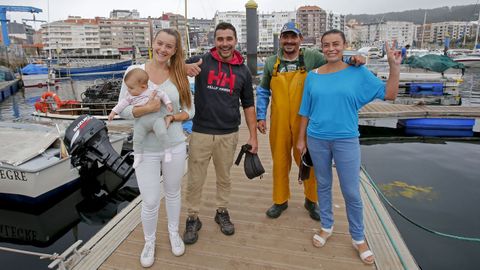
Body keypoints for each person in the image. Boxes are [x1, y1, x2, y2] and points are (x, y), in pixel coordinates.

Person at [296, 29, 401, 265]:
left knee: (351, 191)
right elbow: (305, 110)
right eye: (326, 44)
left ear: (344, 45)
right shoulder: (312, 76)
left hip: (346, 139)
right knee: (323, 185)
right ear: (321, 47)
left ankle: (358, 237)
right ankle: (326, 226)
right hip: (317, 138)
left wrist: (394, 67)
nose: (331, 48)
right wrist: (301, 139)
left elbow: (390, 94)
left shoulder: (357, 72)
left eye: (336, 44)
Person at [256, 22, 365, 220]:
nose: (289, 41)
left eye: (293, 37)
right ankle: (280, 200)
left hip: (305, 121)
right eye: (285, 37)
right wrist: (260, 115)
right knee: (280, 161)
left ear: (300, 39)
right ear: (280, 39)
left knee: (309, 162)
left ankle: (311, 200)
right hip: (279, 122)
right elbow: (263, 90)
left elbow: (335, 60)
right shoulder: (272, 62)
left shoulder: (312, 57)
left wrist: (353, 59)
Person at [117, 28, 194, 268]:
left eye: (169, 46)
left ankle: (173, 232)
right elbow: (123, 109)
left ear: (175, 50)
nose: (163, 49)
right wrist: (146, 110)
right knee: (150, 200)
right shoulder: (134, 72)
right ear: (153, 43)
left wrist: (173, 118)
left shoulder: (179, 75)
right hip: (145, 149)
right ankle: (149, 241)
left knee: (172, 192)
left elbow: (190, 110)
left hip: (174, 144)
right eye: (160, 43)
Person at [182, 22, 258, 245]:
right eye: (220, 39)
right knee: (195, 179)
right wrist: (183, 69)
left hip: (228, 134)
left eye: (229, 39)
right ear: (214, 41)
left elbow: (249, 105)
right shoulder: (200, 61)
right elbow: (169, 64)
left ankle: (221, 211)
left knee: (224, 178)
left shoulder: (243, 70)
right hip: (201, 132)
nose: (225, 43)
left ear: (235, 41)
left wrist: (253, 136)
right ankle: (192, 217)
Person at [108, 68, 174, 168]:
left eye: (131, 88)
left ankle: (168, 150)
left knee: (162, 133)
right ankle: (138, 155)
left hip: (156, 119)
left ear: (143, 86)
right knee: (136, 139)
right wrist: (113, 112)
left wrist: (168, 103)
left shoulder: (152, 91)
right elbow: (121, 104)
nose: (128, 90)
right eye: (128, 88)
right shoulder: (130, 96)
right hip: (141, 122)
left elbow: (163, 95)